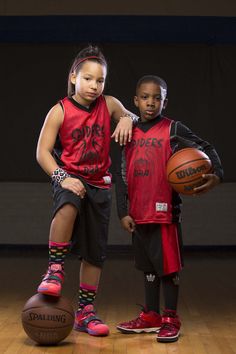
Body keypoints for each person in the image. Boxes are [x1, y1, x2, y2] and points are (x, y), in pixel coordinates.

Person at [36, 45, 138, 337]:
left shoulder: (109, 104)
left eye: (100, 80)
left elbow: (128, 114)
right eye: (88, 79)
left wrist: (128, 118)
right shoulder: (59, 111)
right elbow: (42, 152)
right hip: (70, 178)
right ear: (73, 77)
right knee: (69, 204)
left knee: (95, 253)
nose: (94, 86)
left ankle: (85, 311)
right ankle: (55, 268)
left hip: (100, 184)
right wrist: (61, 176)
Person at [115, 75, 223, 342]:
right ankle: (151, 315)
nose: (151, 103)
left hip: (165, 214)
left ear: (165, 101)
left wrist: (216, 173)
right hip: (138, 215)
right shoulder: (128, 131)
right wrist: (122, 211)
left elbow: (206, 148)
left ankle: (171, 317)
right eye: (145, 97)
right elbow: (121, 174)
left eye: (157, 98)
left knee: (168, 269)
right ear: (135, 100)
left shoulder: (174, 129)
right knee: (148, 267)